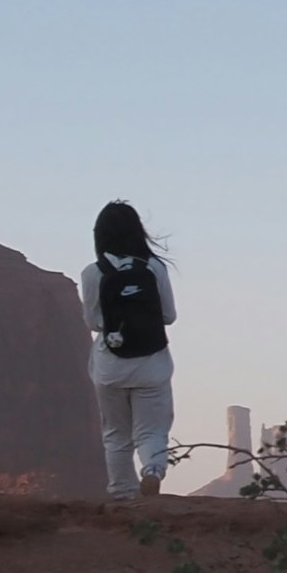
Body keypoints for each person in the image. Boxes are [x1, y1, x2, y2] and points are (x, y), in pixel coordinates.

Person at [80, 200, 179, 500]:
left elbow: (94, 322)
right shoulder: (154, 268)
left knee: (116, 435)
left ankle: (122, 494)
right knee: (151, 431)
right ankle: (152, 471)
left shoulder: (92, 273)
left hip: (110, 366)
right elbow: (169, 316)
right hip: (152, 364)